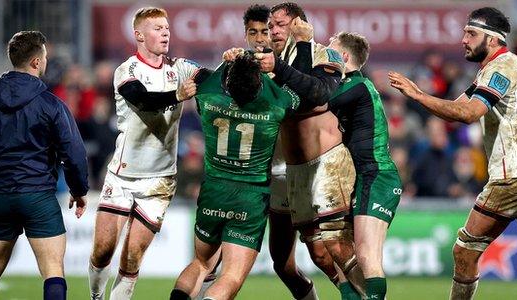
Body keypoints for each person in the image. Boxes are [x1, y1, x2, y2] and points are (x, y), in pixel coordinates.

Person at [388, 7, 517, 300]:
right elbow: (457, 105)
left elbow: (468, 113)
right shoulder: (495, 68)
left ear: (492, 39)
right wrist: (422, 98)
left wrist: (418, 95)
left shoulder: (501, 69)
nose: (463, 40)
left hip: (513, 175)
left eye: (471, 33)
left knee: (464, 250)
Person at [169, 50, 308, 300]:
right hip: (250, 196)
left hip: (213, 190)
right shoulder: (275, 106)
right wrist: (265, 70)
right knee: (230, 277)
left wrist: (227, 63)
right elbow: (298, 96)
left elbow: (209, 78)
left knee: (201, 264)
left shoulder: (208, 96)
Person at [0, 30, 88, 300]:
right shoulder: (51, 104)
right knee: (53, 269)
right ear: (36, 62)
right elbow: (74, 152)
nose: (45, 62)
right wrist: (79, 190)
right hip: (38, 197)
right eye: (44, 57)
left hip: (1, 198)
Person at [87, 7, 199, 300]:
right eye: (158, 28)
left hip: (160, 180)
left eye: (167, 28)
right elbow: (143, 100)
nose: (165, 33)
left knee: (132, 256)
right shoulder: (127, 70)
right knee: (102, 251)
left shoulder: (181, 68)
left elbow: (214, 79)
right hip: (123, 176)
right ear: (139, 34)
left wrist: (233, 64)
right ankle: (96, 296)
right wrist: (178, 95)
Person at [256, 2, 366, 298]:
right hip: (286, 171)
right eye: (271, 26)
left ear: (300, 25)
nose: (274, 31)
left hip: (326, 165)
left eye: (281, 24)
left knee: (337, 249)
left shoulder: (325, 54)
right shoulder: (264, 62)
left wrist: (295, 52)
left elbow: (316, 93)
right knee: (292, 260)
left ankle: (370, 295)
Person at [327, 31, 402, 300]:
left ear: (344, 57)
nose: (325, 54)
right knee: (339, 252)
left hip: (377, 175)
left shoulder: (357, 86)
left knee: (366, 253)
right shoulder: (351, 87)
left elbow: (318, 101)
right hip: (360, 177)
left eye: (330, 49)